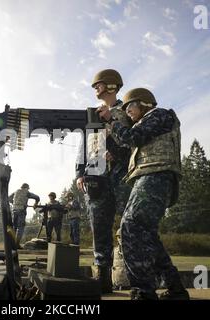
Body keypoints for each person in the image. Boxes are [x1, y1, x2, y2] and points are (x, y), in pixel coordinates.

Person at [102, 87, 188, 300]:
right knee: (147, 234)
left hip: (155, 176)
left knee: (130, 226)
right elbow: (130, 142)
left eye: (130, 106)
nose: (128, 111)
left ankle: (143, 292)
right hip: (149, 177)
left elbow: (134, 137)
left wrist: (112, 121)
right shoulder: (147, 122)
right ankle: (175, 289)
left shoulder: (159, 115)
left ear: (144, 103)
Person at [75, 69, 132, 293]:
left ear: (112, 86)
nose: (94, 87)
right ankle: (103, 278)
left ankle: (138, 277)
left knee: (130, 225)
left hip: (122, 175)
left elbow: (135, 141)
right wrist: (80, 173)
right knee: (99, 227)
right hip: (96, 178)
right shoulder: (93, 115)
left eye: (98, 84)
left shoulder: (128, 111)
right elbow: (84, 146)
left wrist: (116, 153)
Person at [8, 183, 40, 248]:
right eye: (28, 188)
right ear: (26, 188)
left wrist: (14, 203)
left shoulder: (16, 191)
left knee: (14, 227)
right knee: (21, 228)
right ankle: (16, 244)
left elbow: (9, 198)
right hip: (21, 210)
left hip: (14, 210)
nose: (28, 189)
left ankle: (12, 243)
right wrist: (35, 204)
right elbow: (37, 197)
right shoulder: (27, 192)